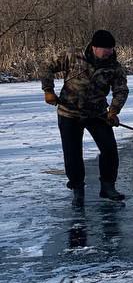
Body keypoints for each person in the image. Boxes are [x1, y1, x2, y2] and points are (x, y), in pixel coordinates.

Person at [40, 28, 128, 202]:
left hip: (97, 114)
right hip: (69, 113)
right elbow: (47, 66)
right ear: (94, 47)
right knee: (72, 154)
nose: (109, 52)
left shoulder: (114, 66)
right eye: (105, 49)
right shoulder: (73, 56)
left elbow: (121, 90)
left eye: (111, 49)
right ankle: (77, 188)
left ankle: (108, 187)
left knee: (109, 150)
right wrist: (48, 90)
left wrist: (114, 110)